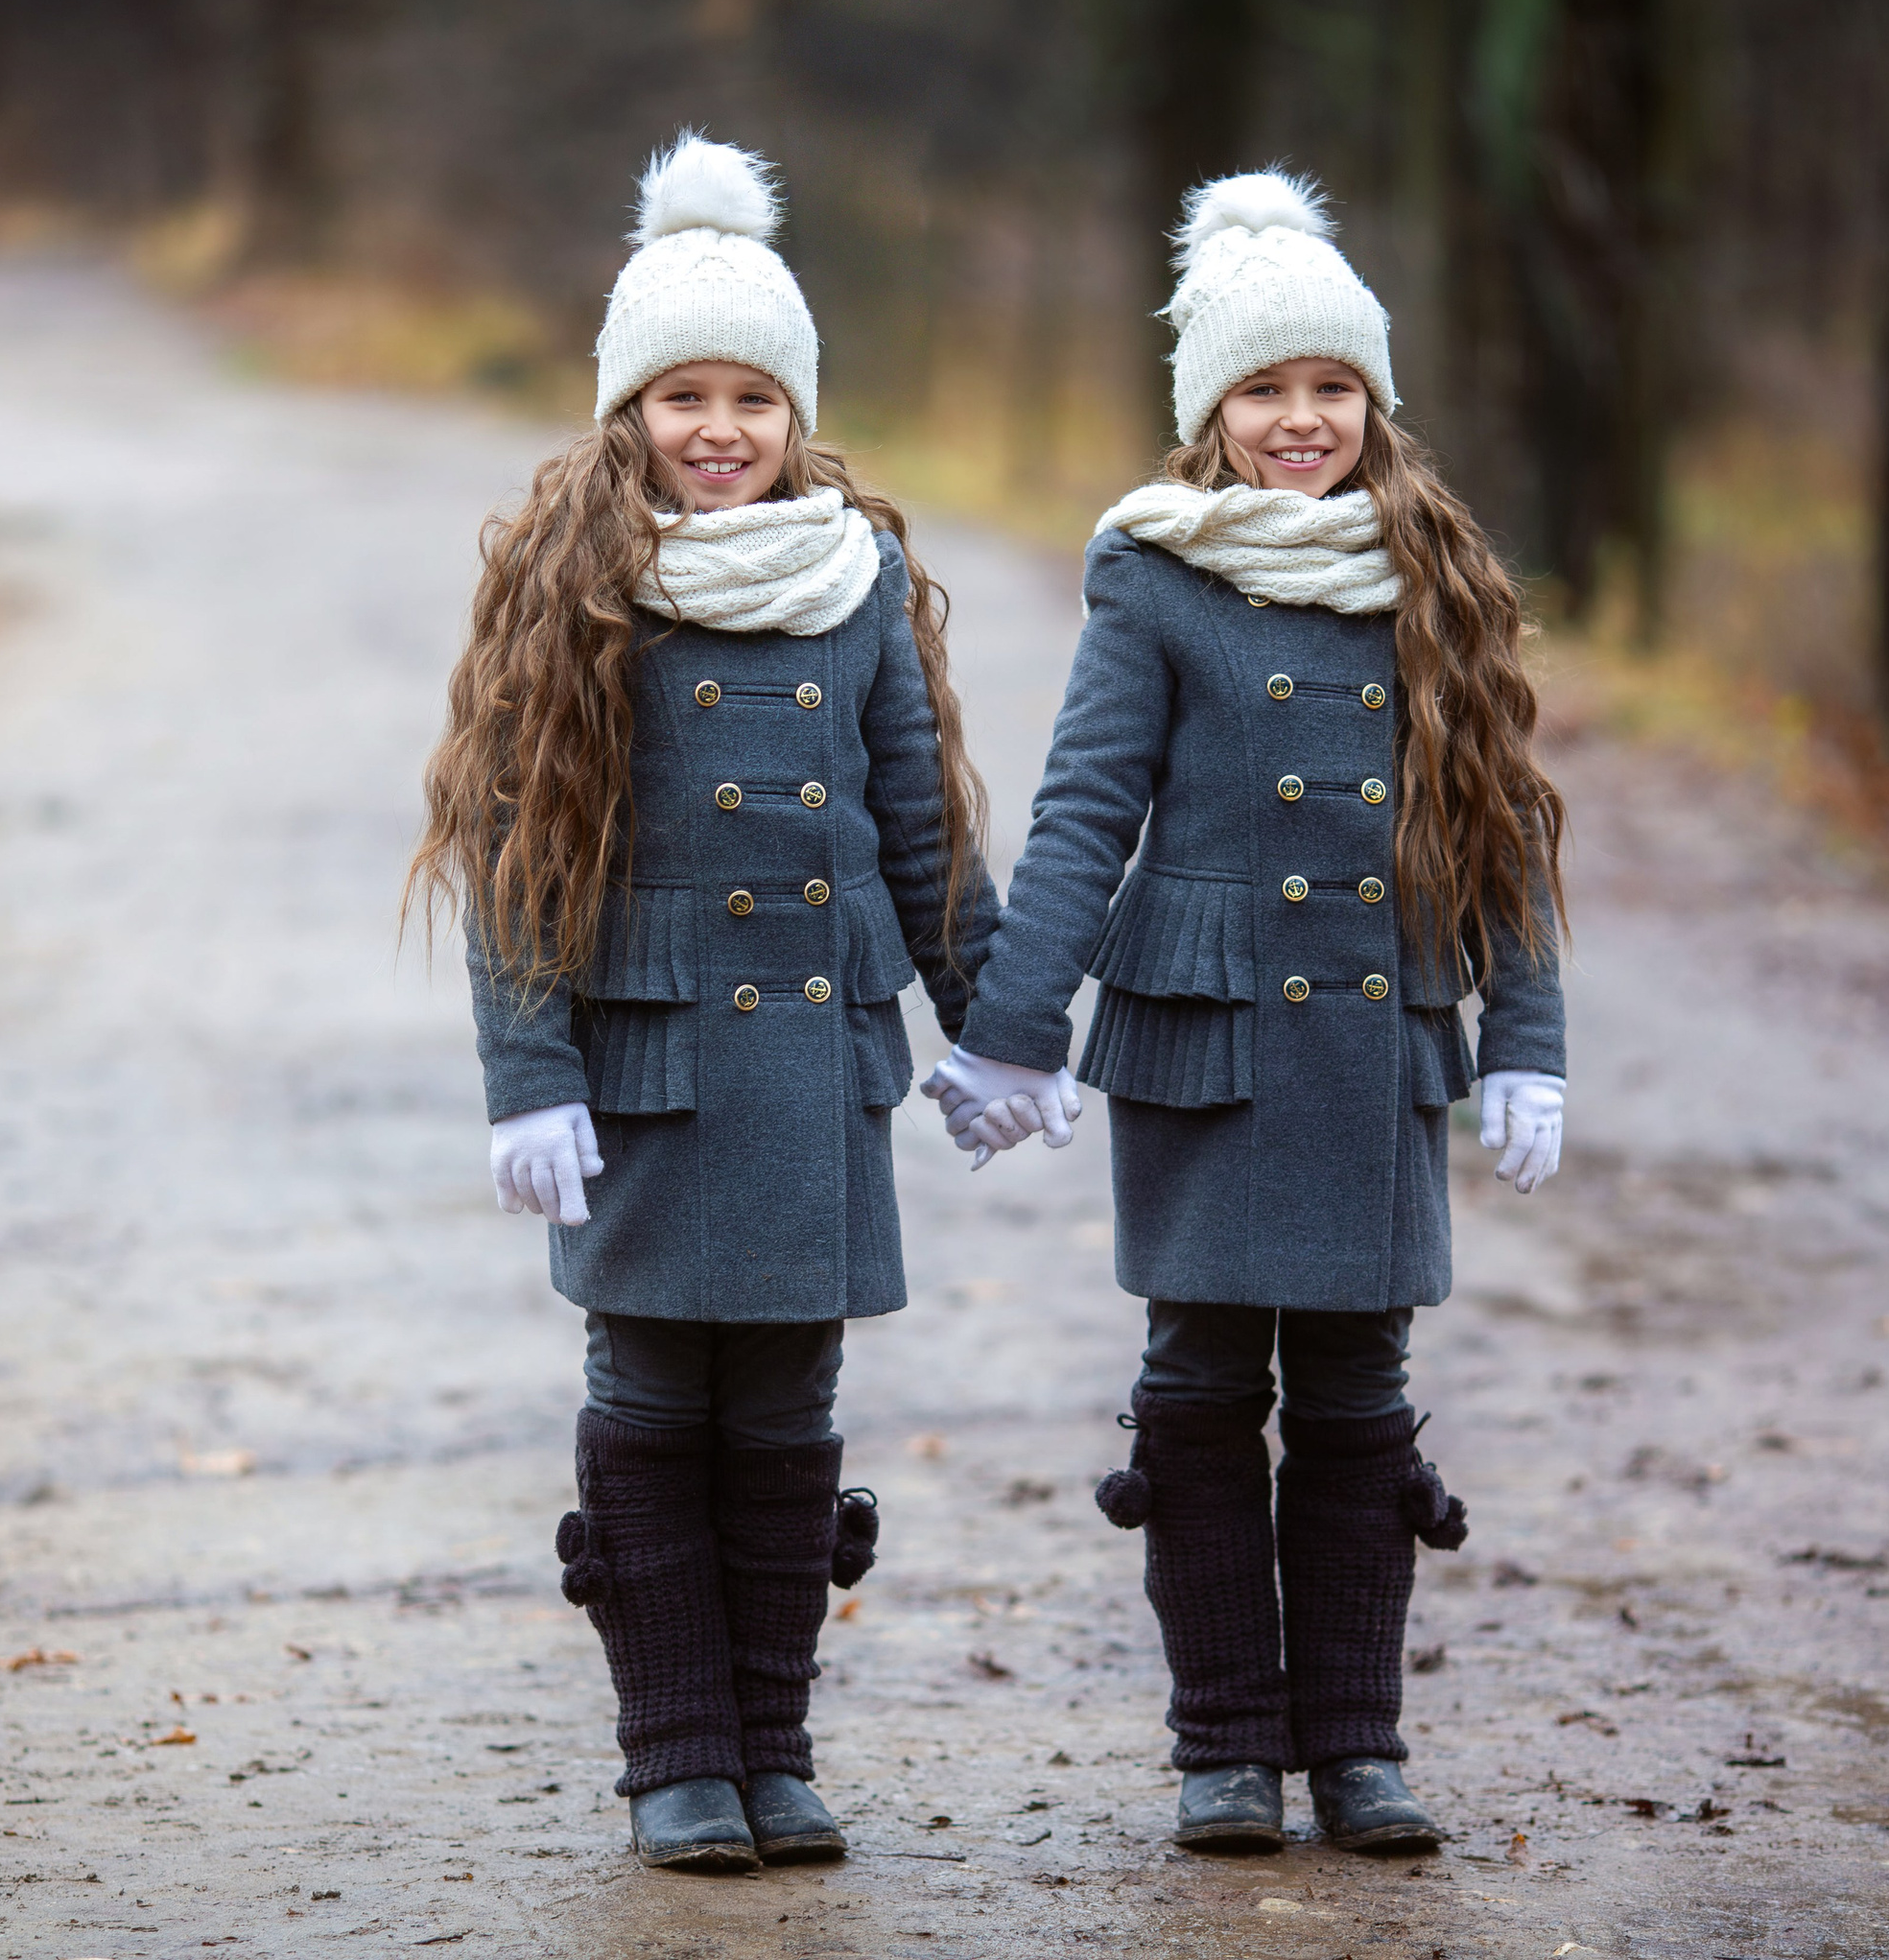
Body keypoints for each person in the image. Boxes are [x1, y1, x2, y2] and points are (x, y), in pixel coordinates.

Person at [923, 170, 1569, 1856]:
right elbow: (1082, 816)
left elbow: (1499, 827)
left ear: (1376, 401)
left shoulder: (1444, 575)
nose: (1301, 422)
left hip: (1376, 1032)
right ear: (1209, 411)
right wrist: (1010, 1026)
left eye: (1332, 388)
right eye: (1265, 392)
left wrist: (1529, 1042)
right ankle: (1223, 1747)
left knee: (1359, 1385)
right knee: (1200, 1381)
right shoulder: (1154, 571)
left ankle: (1357, 1744)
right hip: (1208, 1036)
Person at [408, 133, 997, 1875]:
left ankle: (777, 1748)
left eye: (754, 394)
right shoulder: (569, 584)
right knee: (656, 1399)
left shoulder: (856, 578)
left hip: (814, 1062)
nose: (721, 428)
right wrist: (528, 1075)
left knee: (792, 1409)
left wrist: (1005, 1021)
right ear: (628, 410)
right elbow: (513, 852)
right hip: (647, 1066)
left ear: (798, 410)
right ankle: (676, 1756)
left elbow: (917, 824)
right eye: (684, 396)